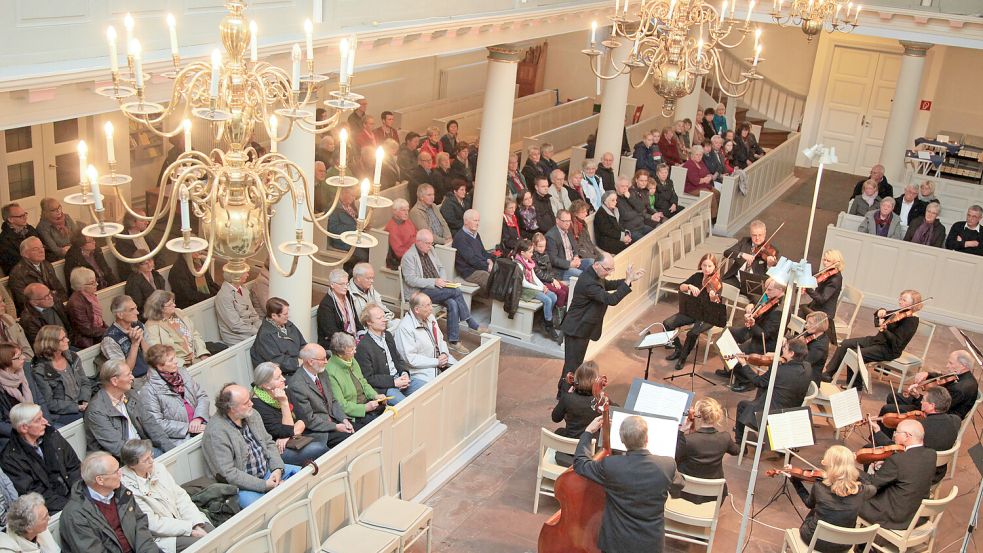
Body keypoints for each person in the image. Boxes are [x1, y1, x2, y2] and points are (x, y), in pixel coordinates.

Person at [574, 414, 683, 553]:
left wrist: (588, 432)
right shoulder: (667, 465)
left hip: (615, 543)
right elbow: (679, 484)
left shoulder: (611, 465)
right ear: (647, 439)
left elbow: (581, 464)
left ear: (622, 440)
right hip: (650, 544)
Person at [203, 384, 301, 508]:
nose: (252, 404)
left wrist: (277, 469)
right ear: (231, 408)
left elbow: (268, 442)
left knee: (305, 478)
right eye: (245, 403)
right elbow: (228, 474)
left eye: (249, 399)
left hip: (268, 472)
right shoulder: (216, 432)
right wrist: (265, 485)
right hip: (241, 487)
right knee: (264, 509)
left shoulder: (252, 414)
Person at [559, 255, 642, 395]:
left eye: (611, 269)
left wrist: (629, 280)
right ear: (596, 264)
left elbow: (608, 285)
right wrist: (626, 282)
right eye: (608, 269)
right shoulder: (588, 282)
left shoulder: (595, 275)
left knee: (574, 364)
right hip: (576, 328)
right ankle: (564, 396)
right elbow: (611, 299)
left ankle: (563, 393)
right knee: (572, 366)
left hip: (582, 327)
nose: (609, 273)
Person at [119, 439, 212, 552]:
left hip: (183, 519)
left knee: (215, 534)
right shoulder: (128, 489)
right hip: (163, 535)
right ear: (132, 465)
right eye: (146, 460)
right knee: (203, 545)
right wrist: (189, 529)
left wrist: (196, 523)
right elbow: (153, 524)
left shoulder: (158, 468)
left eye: (151, 456)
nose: (152, 461)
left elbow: (181, 497)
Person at [401, 229, 482, 355]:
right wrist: (434, 281)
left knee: (452, 303)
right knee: (456, 290)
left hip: (436, 287)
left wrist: (442, 279)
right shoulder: (409, 257)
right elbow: (411, 280)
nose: (430, 246)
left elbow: (441, 267)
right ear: (418, 242)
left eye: (431, 243)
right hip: (419, 292)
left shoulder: (431, 250)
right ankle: (471, 322)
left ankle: (453, 341)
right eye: (427, 243)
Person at [59, 451, 159, 553]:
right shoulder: (75, 515)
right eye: (116, 472)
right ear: (100, 480)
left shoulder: (122, 492)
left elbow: (140, 523)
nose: (121, 473)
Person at [823, 289, 922, 389]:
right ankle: (828, 374)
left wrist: (884, 330)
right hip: (877, 340)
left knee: (856, 354)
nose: (900, 301)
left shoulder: (911, 322)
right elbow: (881, 315)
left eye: (904, 300)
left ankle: (855, 385)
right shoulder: (900, 312)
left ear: (913, 304)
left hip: (888, 349)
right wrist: (880, 311)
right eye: (900, 298)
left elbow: (897, 342)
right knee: (845, 343)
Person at [784, 445, 875, 553]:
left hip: (815, 540)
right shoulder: (861, 491)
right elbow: (872, 487)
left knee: (815, 510)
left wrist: (795, 481)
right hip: (844, 545)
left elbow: (808, 503)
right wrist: (852, 472)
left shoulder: (819, 487)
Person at [85, 360, 175, 457]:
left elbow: (150, 424)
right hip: (120, 461)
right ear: (114, 381)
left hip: (142, 450)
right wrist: (147, 456)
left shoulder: (131, 394)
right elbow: (118, 448)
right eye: (128, 375)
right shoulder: (96, 411)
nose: (132, 378)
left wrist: (171, 450)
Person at [0, 403, 79, 513]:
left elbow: (74, 467)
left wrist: (79, 495)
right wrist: (71, 505)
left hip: (75, 495)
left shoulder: (52, 435)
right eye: (38, 420)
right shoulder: (10, 459)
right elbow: (34, 494)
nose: (45, 422)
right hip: (50, 509)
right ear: (24, 428)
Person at [858, 419, 936, 530]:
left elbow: (872, 482)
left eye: (897, 432)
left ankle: (861, 542)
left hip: (895, 517)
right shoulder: (931, 454)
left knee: (855, 497)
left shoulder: (897, 460)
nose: (894, 435)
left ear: (907, 436)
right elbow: (908, 467)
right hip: (916, 514)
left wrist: (850, 469)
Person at [870, 387, 960, 482]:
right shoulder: (956, 420)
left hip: (917, 473)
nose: (921, 402)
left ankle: (872, 489)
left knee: (872, 452)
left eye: (924, 400)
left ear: (932, 406)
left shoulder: (920, 428)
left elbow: (897, 448)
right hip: (938, 472)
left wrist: (878, 431)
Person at [251, 362, 332, 465]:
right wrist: (284, 403)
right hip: (278, 450)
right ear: (266, 385)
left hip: (294, 438)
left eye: (281, 374)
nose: (283, 379)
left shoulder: (282, 389)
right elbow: (286, 431)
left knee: (334, 438)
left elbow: (304, 419)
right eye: (278, 377)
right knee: (319, 449)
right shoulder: (257, 406)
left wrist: (289, 434)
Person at [733, 338, 812, 442]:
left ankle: (739, 442)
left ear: (792, 353)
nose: (783, 350)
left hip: (771, 417)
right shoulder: (807, 367)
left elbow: (758, 381)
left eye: (785, 348)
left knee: (742, 405)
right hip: (791, 412)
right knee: (763, 393)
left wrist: (744, 364)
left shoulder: (779, 371)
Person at [722, 278, 787, 390]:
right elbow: (760, 301)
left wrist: (752, 324)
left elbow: (764, 335)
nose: (766, 292)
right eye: (766, 288)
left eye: (769, 289)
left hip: (766, 342)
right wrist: (752, 306)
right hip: (754, 331)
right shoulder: (772, 298)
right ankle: (730, 368)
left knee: (736, 351)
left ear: (780, 290)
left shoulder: (779, 311)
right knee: (727, 333)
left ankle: (746, 381)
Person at [287, 343, 355, 446]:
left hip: (335, 421)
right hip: (319, 431)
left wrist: (344, 419)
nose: (326, 362)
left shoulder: (322, 373)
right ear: (310, 361)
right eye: (323, 359)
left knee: (361, 430)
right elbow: (308, 419)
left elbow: (332, 400)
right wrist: (336, 427)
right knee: (351, 438)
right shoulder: (297, 385)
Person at [663, 254, 722, 371]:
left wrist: (713, 298)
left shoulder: (717, 282)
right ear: (701, 265)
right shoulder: (697, 276)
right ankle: (678, 349)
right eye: (704, 265)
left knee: (692, 333)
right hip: (693, 310)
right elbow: (681, 287)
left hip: (709, 315)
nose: (706, 268)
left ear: (715, 267)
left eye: (710, 266)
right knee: (667, 323)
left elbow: (717, 304)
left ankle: (682, 358)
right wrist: (689, 286)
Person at [139, 345, 209, 443]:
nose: (176, 361)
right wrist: (188, 427)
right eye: (171, 360)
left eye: (175, 357)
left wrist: (198, 418)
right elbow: (157, 423)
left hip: (202, 423)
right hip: (180, 438)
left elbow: (202, 396)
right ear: (160, 366)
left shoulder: (182, 373)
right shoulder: (149, 390)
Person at [883, 349, 979, 420]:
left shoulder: (960, 389)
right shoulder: (962, 374)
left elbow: (937, 409)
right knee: (893, 397)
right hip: (935, 406)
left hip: (939, 418)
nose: (947, 366)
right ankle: (898, 427)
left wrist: (917, 397)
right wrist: (928, 374)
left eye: (951, 363)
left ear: (963, 366)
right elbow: (944, 376)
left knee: (888, 410)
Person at [675, 398, 739, 503]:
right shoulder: (725, 438)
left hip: (684, 493)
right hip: (712, 496)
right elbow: (736, 451)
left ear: (699, 415)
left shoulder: (688, 440)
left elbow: (675, 457)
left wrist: (681, 432)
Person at [356, 304, 418, 405]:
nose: (384, 320)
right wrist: (394, 382)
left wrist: (404, 373)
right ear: (369, 322)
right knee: (406, 406)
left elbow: (398, 360)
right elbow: (368, 378)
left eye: (384, 316)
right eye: (379, 318)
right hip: (385, 387)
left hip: (400, 378)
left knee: (428, 388)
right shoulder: (363, 347)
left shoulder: (388, 336)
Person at [31, 325, 92, 426]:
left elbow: (85, 382)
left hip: (81, 404)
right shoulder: (40, 371)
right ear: (51, 343)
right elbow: (49, 403)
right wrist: (76, 407)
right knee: (92, 416)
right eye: (63, 339)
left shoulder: (73, 357)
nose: (67, 340)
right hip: (61, 413)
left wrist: (84, 400)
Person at [325, 333, 387, 430]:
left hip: (367, 404)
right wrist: (365, 408)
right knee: (381, 426)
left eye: (354, 348)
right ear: (340, 354)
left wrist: (375, 396)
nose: (355, 351)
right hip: (355, 414)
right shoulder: (330, 371)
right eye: (351, 350)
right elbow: (341, 404)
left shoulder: (351, 359)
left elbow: (363, 382)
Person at [395, 292, 457, 388]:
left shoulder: (430, 317)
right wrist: (436, 362)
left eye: (431, 304)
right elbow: (411, 359)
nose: (431, 308)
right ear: (417, 310)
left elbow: (440, 339)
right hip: (422, 369)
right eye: (427, 305)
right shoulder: (405, 328)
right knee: (440, 387)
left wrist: (444, 353)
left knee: (460, 371)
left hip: (441, 360)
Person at [143, 291, 209, 368]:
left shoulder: (178, 312)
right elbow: (157, 354)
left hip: (196, 357)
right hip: (177, 366)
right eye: (170, 305)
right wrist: (182, 363)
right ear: (159, 308)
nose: (174, 305)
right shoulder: (151, 326)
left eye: (173, 301)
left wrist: (202, 354)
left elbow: (195, 334)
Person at [0, 343, 50, 443]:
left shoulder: (26, 371)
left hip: (38, 423)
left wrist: (46, 422)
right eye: (18, 357)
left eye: (22, 354)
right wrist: (24, 432)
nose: (24, 357)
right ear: (6, 362)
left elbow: (40, 400)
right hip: (15, 435)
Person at [514, 239, 561, 343]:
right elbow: (524, 283)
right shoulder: (518, 264)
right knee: (547, 300)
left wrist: (543, 286)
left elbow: (534, 277)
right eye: (530, 252)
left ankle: (545, 321)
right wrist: (540, 288)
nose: (532, 254)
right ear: (522, 253)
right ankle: (549, 326)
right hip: (524, 290)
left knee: (553, 296)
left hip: (533, 286)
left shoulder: (529, 261)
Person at [8, 237, 67, 316]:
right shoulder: (17, 274)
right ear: (25, 254)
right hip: (38, 314)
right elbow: (24, 302)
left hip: (56, 306)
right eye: (35, 249)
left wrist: (62, 304)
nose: (41, 251)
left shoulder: (47, 265)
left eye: (42, 247)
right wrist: (52, 297)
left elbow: (59, 289)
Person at [250, 297, 306, 377]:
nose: (288, 316)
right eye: (285, 314)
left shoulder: (288, 324)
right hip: (281, 374)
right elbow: (277, 361)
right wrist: (298, 362)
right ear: (274, 316)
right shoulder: (265, 335)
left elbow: (302, 344)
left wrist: (309, 354)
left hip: (296, 366)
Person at [102, 295, 151, 380]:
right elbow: (125, 371)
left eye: (136, 308)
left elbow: (151, 357)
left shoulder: (138, 325)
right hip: (134, 380)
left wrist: (141, 339)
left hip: (151, 372)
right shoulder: (110, 339)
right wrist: (135, 344)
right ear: (120, 315)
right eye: (132, 310)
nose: (137, 312)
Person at [800, 249, 844, 341]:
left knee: (799, 312)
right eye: (824, 260)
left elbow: (821, 299)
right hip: (816, 307)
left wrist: (807, 287)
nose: (825, 263)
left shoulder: (835, 280)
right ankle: (798, 337)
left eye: (828, 261)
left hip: (824, 313)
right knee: (797, 309)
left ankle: (800, 339)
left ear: (836, 263)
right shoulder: (826, 274)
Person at [721, 220, 778, 289]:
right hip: (736, 278)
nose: (757, 238)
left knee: (758, 299)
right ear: (750, 234)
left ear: (765, 234)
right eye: (754, 235)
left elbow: (772, 275)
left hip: (754, 284)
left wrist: (769, 265)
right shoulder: (745, 241)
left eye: (760, 235)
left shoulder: (771, 250)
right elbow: (727, 252)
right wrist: (742, 254)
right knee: (718, 288)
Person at [215, 267, 262, 346]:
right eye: (245, 273)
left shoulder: (243, 288)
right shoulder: (223, 296)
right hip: (236, 336)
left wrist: (262, 327)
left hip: (250, 329)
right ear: (235, 276)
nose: (248, 275)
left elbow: (253, 314)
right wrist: (258, 331)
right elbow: (235, 325)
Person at [316, 269, 362, 349]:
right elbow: (332, 333)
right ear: (332, 285)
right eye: (341, 284)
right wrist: (352, 339)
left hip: (351, 337)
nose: (345, 287)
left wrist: (362, 333)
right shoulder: (326, 305)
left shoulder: (348, 296)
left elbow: (355, 320)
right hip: (334, 343)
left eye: (346, 284)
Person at [326, 187, 369, 271]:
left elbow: (356, 220)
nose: (354, 199)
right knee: (364, 256)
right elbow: (333, 228)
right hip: (342, 241)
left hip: (353, 237)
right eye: (352, 196)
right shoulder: (334, 208)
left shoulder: (350, 206)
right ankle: (356, 276)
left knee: (371, 249)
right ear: (343, 193)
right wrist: (355, 227)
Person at [452, 209, 494, 294]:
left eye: (478, 221)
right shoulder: (461, 238)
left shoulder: (475, 234)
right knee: (488, 276)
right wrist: (487, 267)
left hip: (478, 266)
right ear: (466, 221)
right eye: (475, 220)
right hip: (469, 272)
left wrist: (490, 260)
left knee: (500, 267)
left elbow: (483, 252)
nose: (477, 223)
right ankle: (501, 302)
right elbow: (472, 260)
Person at [18, 284, 71, 349]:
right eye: (46, 296)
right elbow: (42, 346)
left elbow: (69, 325)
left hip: (70, 342)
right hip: (55, 350)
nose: (51, 297)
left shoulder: (55, 301)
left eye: (50, 293)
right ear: (34, 302)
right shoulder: (29, 320)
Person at [348, 263, 397, 331]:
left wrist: (386, 320)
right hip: (366, 329)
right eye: (368, 278)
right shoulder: (349, 293)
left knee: (399, 324)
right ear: (358, 278)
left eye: (372, 278)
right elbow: (359, 322)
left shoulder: (370, 288)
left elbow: (382, 309)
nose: (372, 281)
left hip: (379, 323)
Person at [545, 209, 591, 280]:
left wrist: (576, 257)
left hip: (573, 262)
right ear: (557, 220)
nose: (568, 223)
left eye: (569, 221)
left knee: (592, 263)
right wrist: (570, 264)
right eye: (565, 221)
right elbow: (553, 259)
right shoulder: (550, 236)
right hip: (562, 270)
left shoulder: (568, 230)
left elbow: (574, 247)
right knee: (583, 275)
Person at [0, 203, 41, 276]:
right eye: (21, 216)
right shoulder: (4, 240)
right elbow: (16, 263)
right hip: (21, 274)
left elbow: (42, 247)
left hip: (38, 267)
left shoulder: (30, 229)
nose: (25, 217)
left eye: (25, 214)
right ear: (10, 219)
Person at [682, 145, 720, 220]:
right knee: (710, 195)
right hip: (692, 188)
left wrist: (709, 176)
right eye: (697, 155)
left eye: (701, 155)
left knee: (717, 193)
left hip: (703, 185)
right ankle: (713, 218)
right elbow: (695, 181)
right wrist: (705, 179)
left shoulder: (700, 162)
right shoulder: (689, 164)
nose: (699, 157)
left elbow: (707, 172)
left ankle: (718, 214)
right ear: (692, 155)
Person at [384, 197, 417, 270]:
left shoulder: (407, 221)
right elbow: (399, 252)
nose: (406, 213)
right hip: (404, 259)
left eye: (407, 210)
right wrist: (416, 252)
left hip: (415, 251)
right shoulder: (391, 228)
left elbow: (416, 236)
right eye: (403, 210)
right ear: (395, 211)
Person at [799, 312, 831, 384]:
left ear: (819, 325)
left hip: (809, 378)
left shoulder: (820, 346)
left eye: (810, 323)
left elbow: (805, 362)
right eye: (807, 322)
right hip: (802, 370)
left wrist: (801, 345)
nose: (806, 326)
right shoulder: (810, 333)